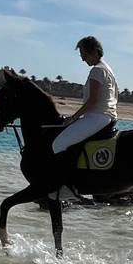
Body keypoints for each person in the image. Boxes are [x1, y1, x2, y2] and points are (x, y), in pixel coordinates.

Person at [51, 35, 119, 170]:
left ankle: (67, 185)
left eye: (84, 55)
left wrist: (73, 118)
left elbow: (93, 100)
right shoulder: (107, 69)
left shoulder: (97, 70)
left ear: (94, 52)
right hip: (105, 116)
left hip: (97, 116)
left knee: (58, 144)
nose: (82, 59)